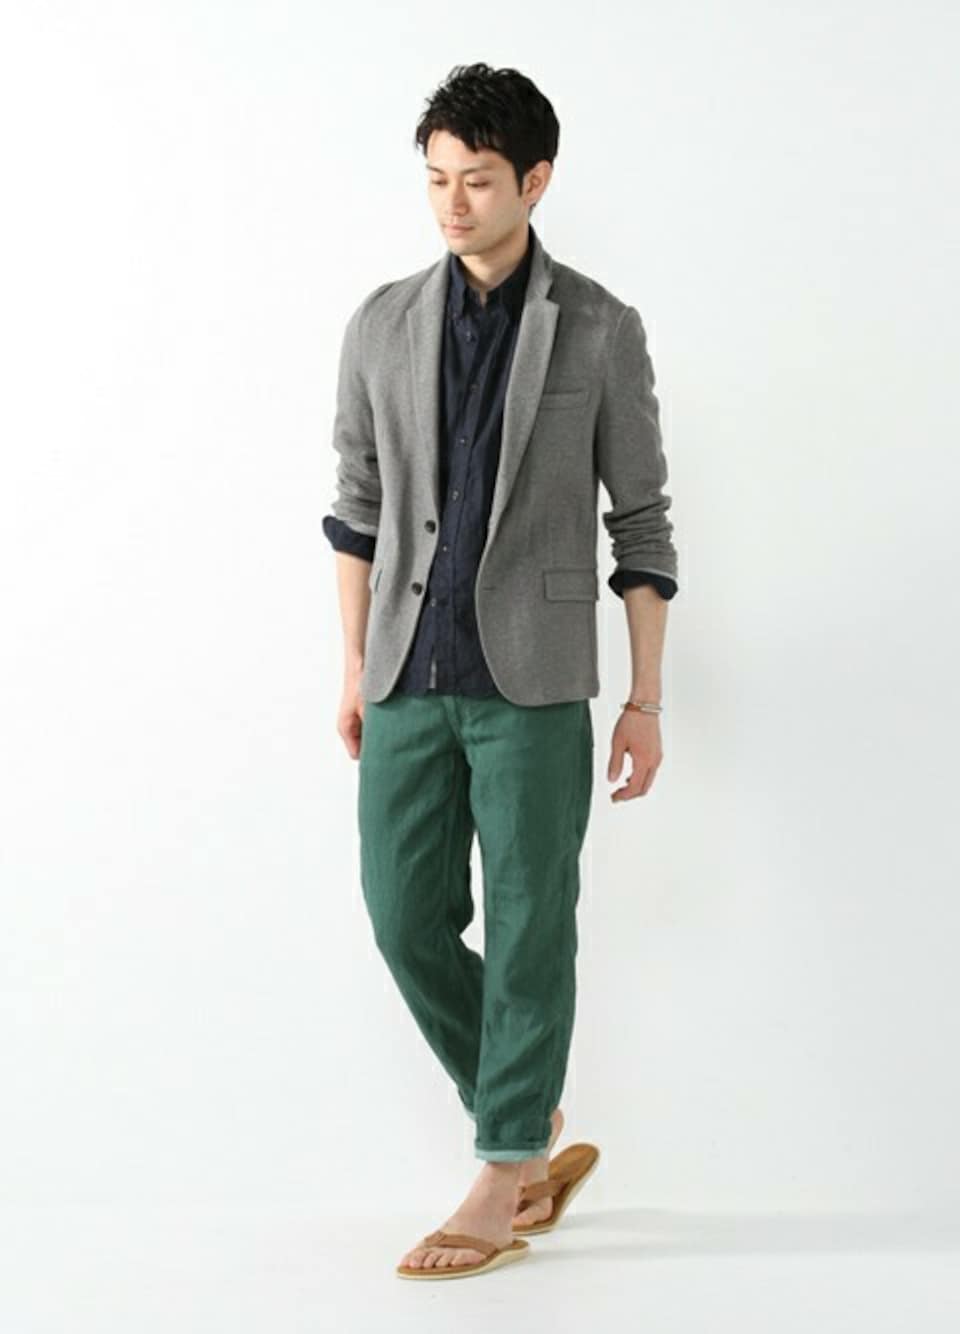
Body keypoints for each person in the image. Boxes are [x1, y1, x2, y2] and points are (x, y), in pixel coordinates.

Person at [322, 62, 679, 1279]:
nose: (452, 203)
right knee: (401, 914)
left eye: (476, 180)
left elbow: (642, 522)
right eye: (435, 179)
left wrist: (642, 697)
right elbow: (356, 506)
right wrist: (352, 666)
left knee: (531, 922)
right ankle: (525, 1114)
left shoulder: (599, 327)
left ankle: (502, 1165)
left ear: (535, 179)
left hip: (534, 678)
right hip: (406, 669)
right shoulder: (380, 322)